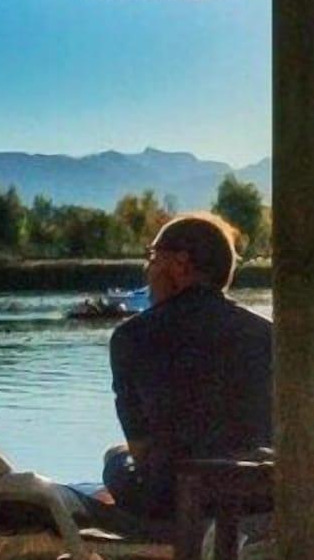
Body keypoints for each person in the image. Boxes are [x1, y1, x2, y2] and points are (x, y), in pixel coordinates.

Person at [102, 213, 272, 519]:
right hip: (260, 494)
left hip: (176, 498)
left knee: (116, 460)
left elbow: (139, 449)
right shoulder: (268, 335)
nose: (148, 270)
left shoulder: (132, 337)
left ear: (181, 264)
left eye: (154, 258)